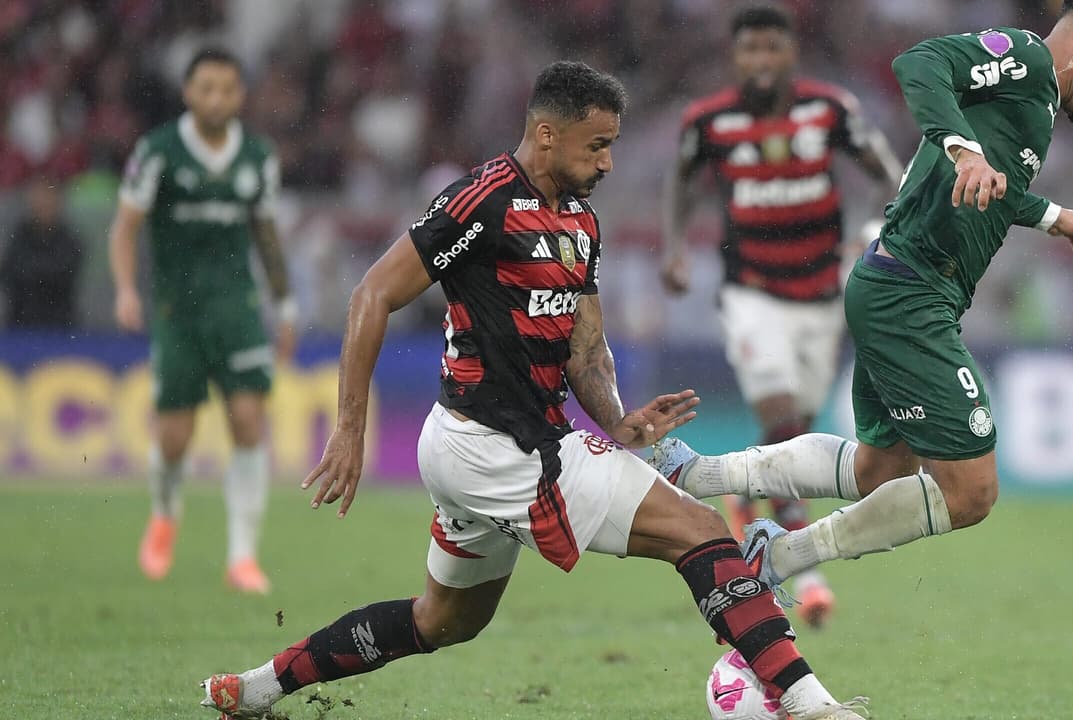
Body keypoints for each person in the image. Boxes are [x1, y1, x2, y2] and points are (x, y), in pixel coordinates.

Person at [198, 61, 869, 720]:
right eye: (597, 144)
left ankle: (254, 690)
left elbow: (585, 348)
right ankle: (813, 706)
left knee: (443, 621)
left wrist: (619, 421)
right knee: (700, 533)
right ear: (547, 135)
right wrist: (349, 428)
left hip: (485, 450)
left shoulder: (581, 221)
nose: (608, 163)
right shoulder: (482, 200)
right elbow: (373, 291)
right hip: (497, 446)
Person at [653, 0, 1073, 602]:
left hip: (899, 284)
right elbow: (921, 62)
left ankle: (698, 473)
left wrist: (1048, 215)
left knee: (879, 470)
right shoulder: (1023, 58)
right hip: (911, 291)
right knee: (971, 492)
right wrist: (963, 147)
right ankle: (780, 554)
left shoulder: (1034, 103)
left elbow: (983, 188)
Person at [660, 3, 903, 628]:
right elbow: (681, 181)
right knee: (785, 419)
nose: (761, 62)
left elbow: (889, 174)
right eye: (750, 51)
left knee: (796, 429)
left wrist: (874, 233)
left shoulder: (829, 109)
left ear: (791, 52)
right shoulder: (708, 120)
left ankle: (745, 491)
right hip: (751, 292)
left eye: (772, 49)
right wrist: (676, 247)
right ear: (735, 57)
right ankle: (801, 563)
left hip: (822, 295)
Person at [108, 48, 297, 594]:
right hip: (177, 313)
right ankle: (165, 513)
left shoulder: (258, 156)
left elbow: (266, 235)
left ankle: (242, 557)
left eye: (228, 89)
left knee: (246, 421)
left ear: (241, 96)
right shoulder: (158, 151)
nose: (217, 98)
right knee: (174, 437)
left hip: (236, 310)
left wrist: (284, 306)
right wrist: (125, 289)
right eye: (206, 88)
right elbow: (123, 228)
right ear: (189, 92)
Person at [0, 178, 82, 329]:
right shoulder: (19, 235)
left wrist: (31, 273)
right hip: (20, 323)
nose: (42, 204)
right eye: (38, 199)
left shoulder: (68, 238)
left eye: (48, 199)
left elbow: (63, 274)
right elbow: (8, 272)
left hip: (59, 325)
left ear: (57, 202)